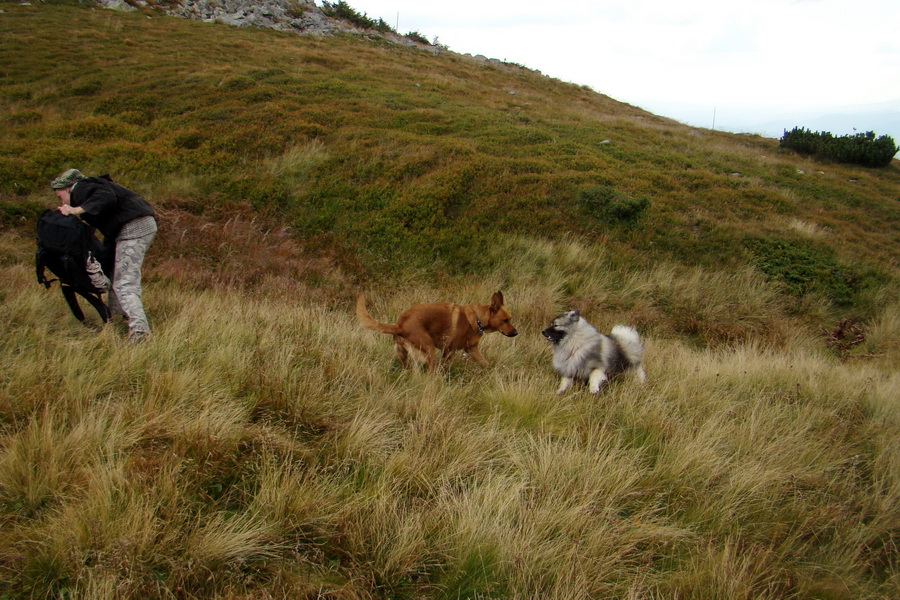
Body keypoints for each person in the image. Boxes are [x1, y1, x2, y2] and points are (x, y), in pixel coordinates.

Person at [51, 168, 157, 343]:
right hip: (128, 230)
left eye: (59, 197)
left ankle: (140, 333)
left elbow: (106, 197)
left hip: (133, 229)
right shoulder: (92, 186)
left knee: (125, 283)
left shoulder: (82, 188)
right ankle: (118, 319)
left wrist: (76, 210)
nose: (61, 202)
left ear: (67, 188)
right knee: (116, 276)